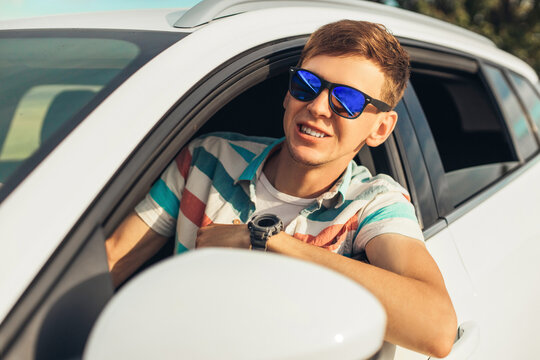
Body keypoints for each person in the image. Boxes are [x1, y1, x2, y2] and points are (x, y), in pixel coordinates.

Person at [106, 20, 457, 358]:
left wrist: (262, 240)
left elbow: (437, 330)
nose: (318, 107)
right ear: (288, 96)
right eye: (306, 84)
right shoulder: (207, 158)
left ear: (380, 128)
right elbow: (112, 261)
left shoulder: (372, 203)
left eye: (347, 101)